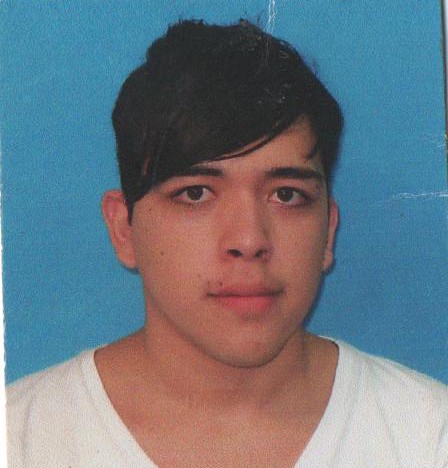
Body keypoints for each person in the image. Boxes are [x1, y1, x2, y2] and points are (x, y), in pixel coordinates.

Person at [6, 19, 448, 468]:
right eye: (195, 193)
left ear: (328, 231)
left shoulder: (427, 436)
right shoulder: (20, 439)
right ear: (124, 229)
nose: (249, 240)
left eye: (287, 195)